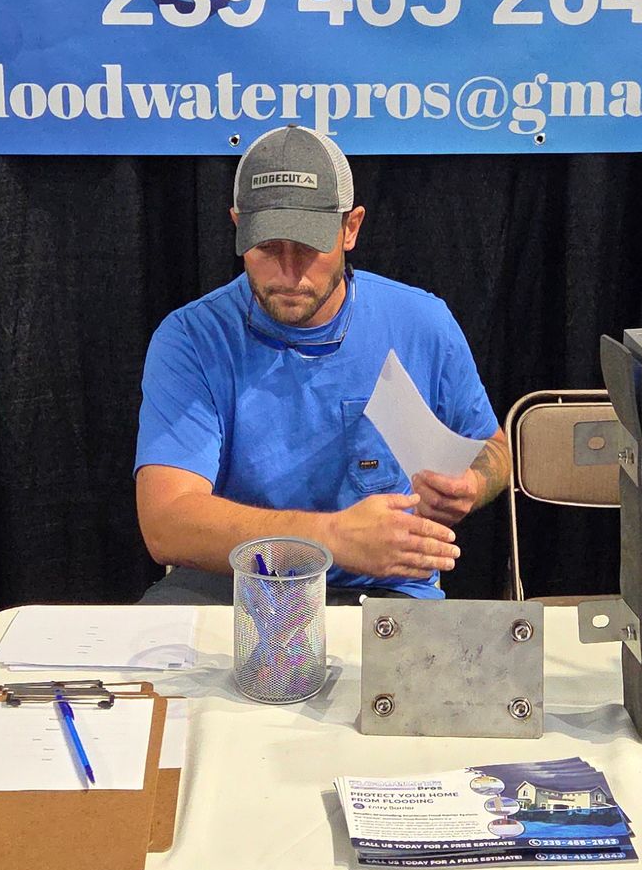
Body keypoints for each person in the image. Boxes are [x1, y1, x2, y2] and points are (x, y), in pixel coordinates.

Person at [135, 125, 510, 602]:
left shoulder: (421, 321)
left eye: (309, 249)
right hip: (239, 585)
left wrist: (471, 483)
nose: (289, 274)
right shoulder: (192, 338)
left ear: (350, 228)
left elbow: (493, 450)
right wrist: (332, 539)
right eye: (267, 248)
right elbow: (166, 522)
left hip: (382, 590)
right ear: (237, 226)